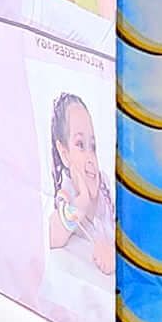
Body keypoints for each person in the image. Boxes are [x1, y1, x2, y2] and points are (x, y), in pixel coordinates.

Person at [45, 90, 111, 255]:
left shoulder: (105, 186)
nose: (90, 157)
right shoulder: (67, 194)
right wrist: (82, 200)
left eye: (92, 146)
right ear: (64, 154)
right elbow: (50, 236)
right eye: (80, 145)